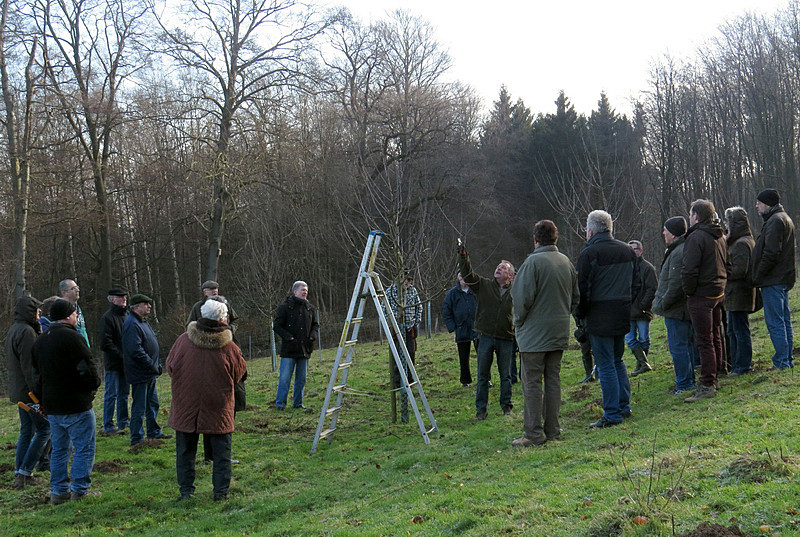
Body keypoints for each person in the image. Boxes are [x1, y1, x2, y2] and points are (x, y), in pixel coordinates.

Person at [167, 300, 247, 501]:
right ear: (222, 318)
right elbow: (240, 373)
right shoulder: (229, 347)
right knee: (221, 454)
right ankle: (220, 493)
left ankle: (186, 492)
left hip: (186, 404)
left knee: (185, 452)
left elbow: (170, 366)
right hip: (219, 406)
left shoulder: (183, 340)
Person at [511, 220, 579, 447]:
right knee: (553, 381)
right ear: (555, 238)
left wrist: (518, 324)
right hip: (558, 332)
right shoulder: (566, 262)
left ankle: (533, 433)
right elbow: (575, 298)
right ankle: (553, 429)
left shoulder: (532, 263)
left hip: (533, 336)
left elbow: (521, 300)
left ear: (535, 239)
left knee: (531, 383)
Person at [31, 299, 101, 504]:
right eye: (74, 313)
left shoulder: (40, 341)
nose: (77, 316)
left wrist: (41, 400)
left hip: (52, 406)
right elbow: (87, 369)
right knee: (84, 447)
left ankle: (58, 491)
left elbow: (36, 376)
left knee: (60, 450)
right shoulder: (73, 338)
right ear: (68, 315)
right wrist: (92, 386)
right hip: (76, 403)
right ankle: (79, 490)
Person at [577, 210, 637, 428]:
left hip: (599, 314)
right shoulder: (627, 251)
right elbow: (636, 282)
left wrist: (580, 314)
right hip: (622, 311)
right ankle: (623, 405)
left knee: (605, 364)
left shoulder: (589, 253)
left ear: (590, 230)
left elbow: (583, 289)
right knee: (617, 360)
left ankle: (612, 413)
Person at [458, 242, 515, 420]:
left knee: (506, 375)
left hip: (506, 338)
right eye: (498, 266)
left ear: (510, 276)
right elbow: (467, 275)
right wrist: (463, 256)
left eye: (504, 268)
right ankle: (480, 411)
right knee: (483, 376)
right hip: (486, 337)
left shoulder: (516, 292)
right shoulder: (483, 285)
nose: (499, 268)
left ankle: (507, 407)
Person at [682, 199, 728, 402]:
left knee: (704, 341)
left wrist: (689, 291)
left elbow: (689, 269)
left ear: (697, 216)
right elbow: (727, 263)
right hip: (718, 292)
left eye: (691, 214)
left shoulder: (696, 237)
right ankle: (716, 375)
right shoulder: (719, 236)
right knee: (715, 336)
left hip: (701, 295)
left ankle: (707, 383)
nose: (689, 218)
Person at [6, 295, 49, 489]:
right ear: (30, 312)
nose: (40, 315)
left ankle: (20, 471)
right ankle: (25, 472)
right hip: (29, 392)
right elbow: (30, 366)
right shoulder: (27, 332)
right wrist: (38, 393)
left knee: (27, 430)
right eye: (38, 311)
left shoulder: (14, 329)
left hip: (20, 390)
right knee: (44, 430)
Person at [750, 188, 796, 370]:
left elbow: (771, 252)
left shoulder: (775, 221)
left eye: (759, 203)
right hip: (782, 278)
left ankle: (782, 362)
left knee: (776, 322)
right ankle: (787, 359)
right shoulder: (783, 218)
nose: (756, 206)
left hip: (774, 279)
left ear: (768, 204)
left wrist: (758, 274)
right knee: (784, 321)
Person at [653, 216, 696, 394]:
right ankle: (688, 381)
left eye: (666, 230)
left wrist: (662, 303)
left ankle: (685, 383)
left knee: (679, 347)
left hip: (677, 310)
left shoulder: (678, 252)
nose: (663, 233)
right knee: (686, 346)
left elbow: (675, 285)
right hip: (681, 309)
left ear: (673, 233)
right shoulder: (678, 249)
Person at [123, 294, 171, 446]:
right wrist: (151, 365)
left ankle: (153, 431)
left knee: (152, 403)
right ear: (135, 307)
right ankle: (137, 438)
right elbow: (135, 350)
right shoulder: (132, 324)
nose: (149, 306)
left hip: (149, 372)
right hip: (140, 373)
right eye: (146, 304)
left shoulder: (143, 322)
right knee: (140, 406)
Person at [273, 281, 319, 410]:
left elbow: (315, 324)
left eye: (306, 290)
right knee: (285, 379)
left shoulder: (310, 308)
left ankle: (298, 403)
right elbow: (277, 326)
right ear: (295, 291)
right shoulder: (285, 307)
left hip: (305, 349)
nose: (305, 292)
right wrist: (289, 338)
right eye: (302, 290)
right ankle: (280, 404)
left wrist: (312, 336)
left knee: (301, 379)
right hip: (289, 349)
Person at [723, 207, 757, 376]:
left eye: (727, 221)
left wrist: (721, 271)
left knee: (740, 331)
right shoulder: (738, 241)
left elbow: (739, 271)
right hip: (734, 295)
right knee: (733, 330)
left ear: (736, 223)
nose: (725, 224)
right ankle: (737, 364)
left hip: (740, 294)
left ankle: (743, 366)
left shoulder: (742, 243)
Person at [97, 288, 129, 436]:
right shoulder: (107, 318)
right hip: (113, 364)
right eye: (119, 297)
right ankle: (108, 425)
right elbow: (105, 343)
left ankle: (123, 421)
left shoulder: (127, 316)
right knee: (111, 394)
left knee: (124, 393)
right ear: (111, 299)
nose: (123, 299)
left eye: (124, 297)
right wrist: (122, 355)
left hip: (126, 363)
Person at [626, 240, 658, 376]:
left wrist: (643, 305)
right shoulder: (625, 268)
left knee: (644, 338)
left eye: (635, 249)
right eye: (630, 249)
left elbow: (652, 289)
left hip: (643, 310)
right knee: (630, 338)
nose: (632, 252)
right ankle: (644, 364)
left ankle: (641, 365)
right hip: (627, 310)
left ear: (641, 251)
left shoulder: (648, 268)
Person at [442, 272, 479, 387]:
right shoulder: (452, 293)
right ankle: (465, 381)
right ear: (458, 278)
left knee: (483, 356)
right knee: (463, 357)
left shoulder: (476, 291)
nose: (463, 278)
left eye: (465, 275)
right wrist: (452, 327)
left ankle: (485, 379)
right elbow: (446, 310)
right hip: (461, 328)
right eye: (461, 276)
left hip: (477, 328)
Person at [59, 279, 89, 346]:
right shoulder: (61, 310)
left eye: (77, 287)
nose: (77, 290)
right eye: (73, 288)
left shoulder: (78, 308)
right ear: (64, 293)